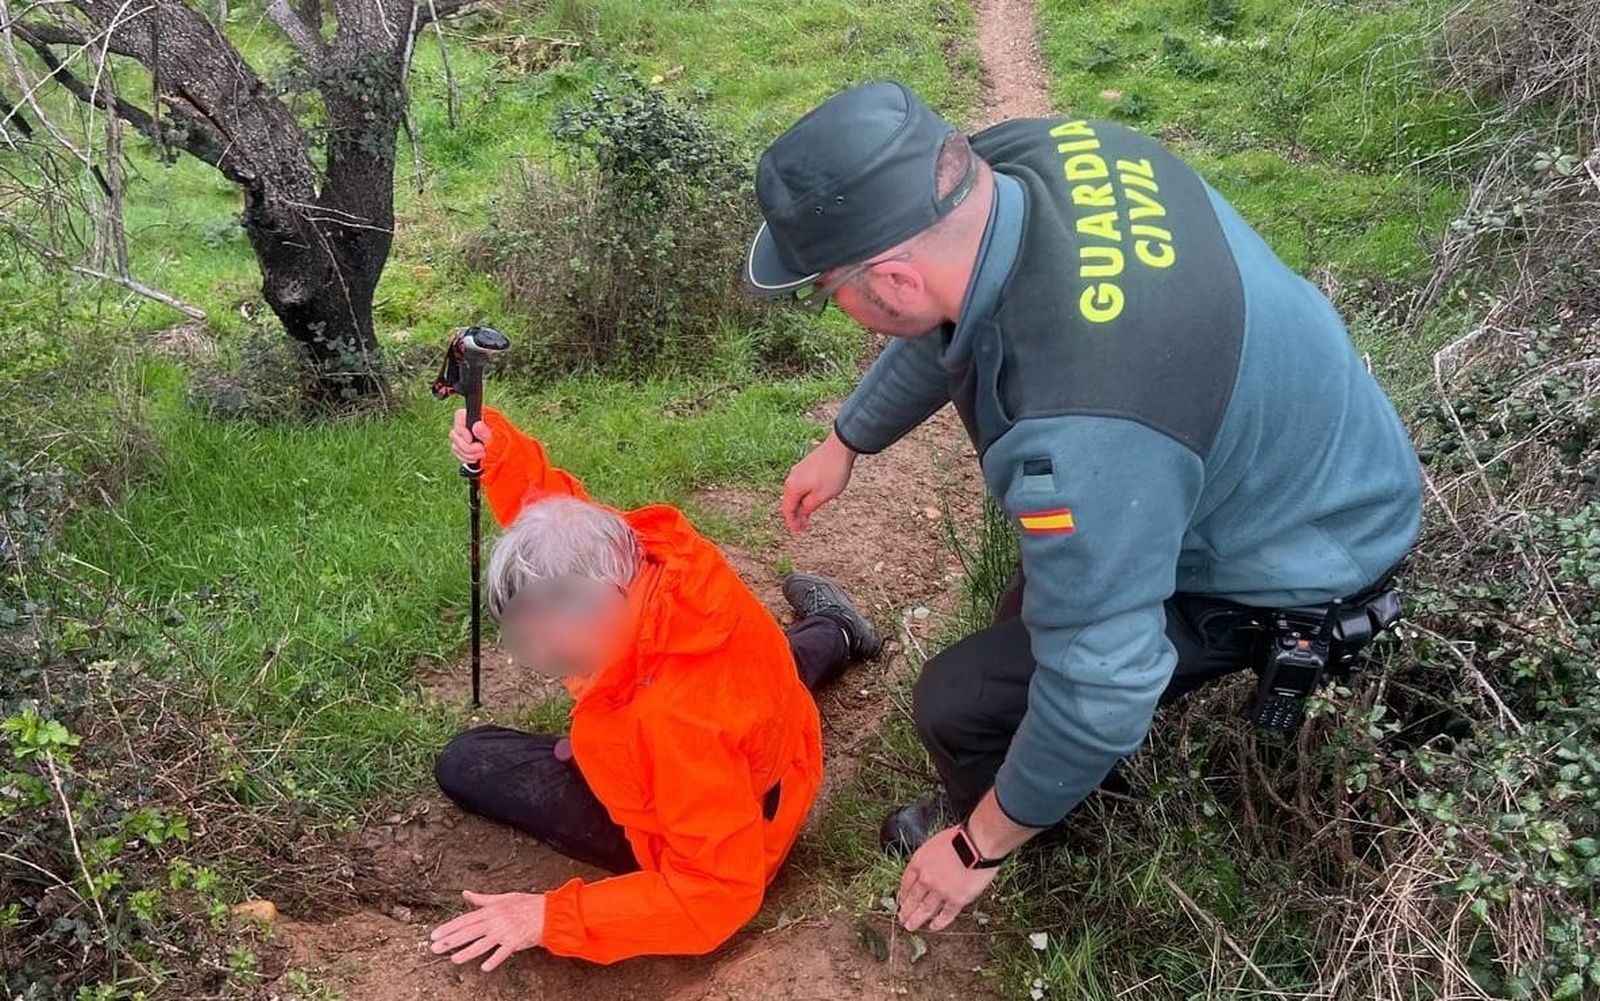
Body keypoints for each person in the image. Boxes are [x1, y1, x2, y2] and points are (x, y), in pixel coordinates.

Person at [747, 82, 1422, 935]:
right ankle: (1046, 783)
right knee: (1040, 614)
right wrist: (848, 438)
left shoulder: (1083, 430)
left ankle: (1026, 830)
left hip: (1305, 551)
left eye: (824, 290)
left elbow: (1104, 682)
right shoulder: (1032, 160)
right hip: (1305, 451)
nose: (835, 311)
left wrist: (976, 847)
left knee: (962, 701)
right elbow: (951, 315)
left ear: (890, 276)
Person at [426, 406, 881, 968]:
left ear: (602, 609)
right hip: (768, 720)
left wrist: (547, 917)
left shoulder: (674, 723)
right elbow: (553, 517)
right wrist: (497, 452)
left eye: (554, 643)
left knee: (468, 761)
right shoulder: (650, 557)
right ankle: (836, 628)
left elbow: (716, 892)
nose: (540, 656)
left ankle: (835, 632)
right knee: (771, 671)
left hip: (737, 830)